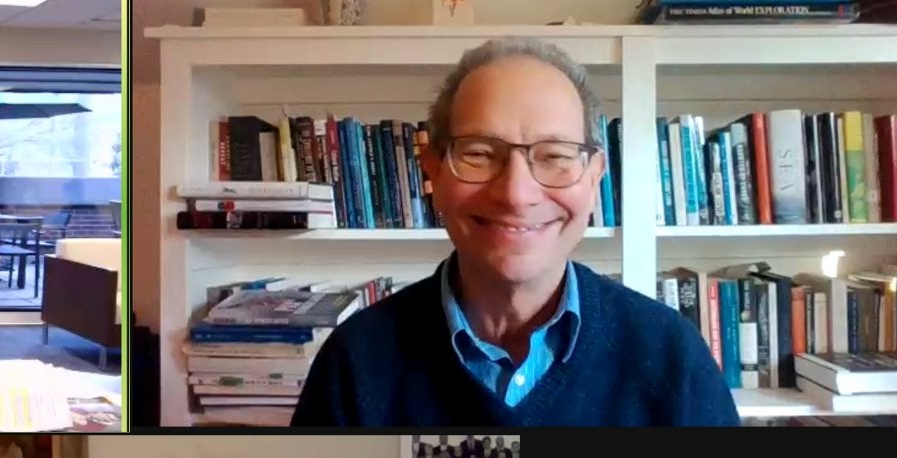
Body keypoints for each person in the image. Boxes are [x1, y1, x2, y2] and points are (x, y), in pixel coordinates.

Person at [290, 38, 739, 427]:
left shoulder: (670, 356)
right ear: (433, 172)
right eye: (481, 153)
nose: (517, 194)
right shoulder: (355, 360)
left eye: (554, 155)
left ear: (594, 177)